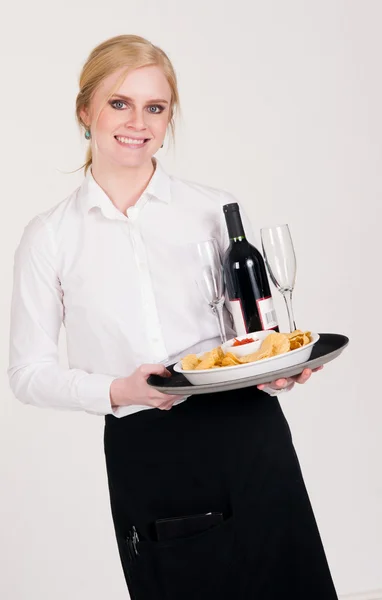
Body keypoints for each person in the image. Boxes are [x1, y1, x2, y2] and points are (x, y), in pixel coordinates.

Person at [8, 34, 338, 599]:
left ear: (168, 118)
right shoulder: (50, 237)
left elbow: (252, 335)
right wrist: (120, 389)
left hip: (248, 436)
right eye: (119, 102)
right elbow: (27, 374)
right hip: (151, 454)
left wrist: (275, 368)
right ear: (85, 111)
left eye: (155, 107)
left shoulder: (214, 209)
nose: (138, 121)